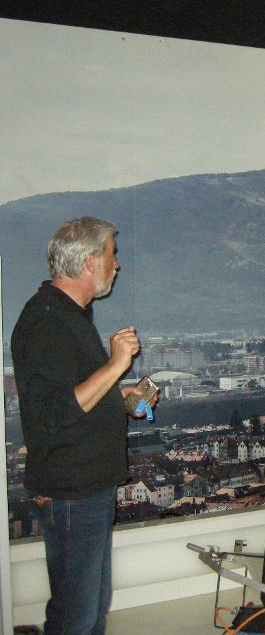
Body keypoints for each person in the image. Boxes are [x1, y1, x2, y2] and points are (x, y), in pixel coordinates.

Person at [12, 217, 144, 635]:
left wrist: (121, 398)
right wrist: (115, 365)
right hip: (72, 491)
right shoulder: (46, 321)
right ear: (89, 261)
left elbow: (78, 394)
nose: (116, 265)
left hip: (88, 487)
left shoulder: (68, 314)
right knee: (75, 615)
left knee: (91, 608)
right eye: (111, 255)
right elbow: (52, 414)